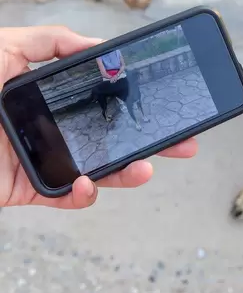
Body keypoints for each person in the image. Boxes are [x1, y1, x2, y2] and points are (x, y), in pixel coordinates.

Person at [0, 26, 198, 209]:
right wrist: (112, 76)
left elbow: (119, 65)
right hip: (109, 81)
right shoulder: (104, 56)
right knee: (123, 103)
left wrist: (119, 74)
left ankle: (131, 114)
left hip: (118, 77)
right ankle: (109, 113)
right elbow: (106, 69)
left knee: (133, 102)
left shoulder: (118, 58)